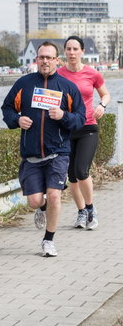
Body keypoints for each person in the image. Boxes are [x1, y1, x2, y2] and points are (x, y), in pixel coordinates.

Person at [1, 41, 86, 257]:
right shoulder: (24, 84)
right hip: (31, 156)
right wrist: (17, 120)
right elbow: (7, 108)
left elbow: (80, 118)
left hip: (58, 152)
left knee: (54, 196)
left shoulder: (67, 88)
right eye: (41, 57)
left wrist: (63, 116)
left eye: (49, 57)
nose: (45, 61)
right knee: (35, 200)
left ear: (57, 60)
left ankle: (48, 240)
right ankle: (41, 208)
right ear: (36, 60)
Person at [58, 35, 111, 230]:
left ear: (82, 51)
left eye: (75, 49)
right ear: (64, 52)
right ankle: (81, 212)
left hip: (88, 127)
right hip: (66, 129)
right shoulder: (59, 75)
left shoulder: (92, 73)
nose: (72, 53)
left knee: (81, 170)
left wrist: (102, 105)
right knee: (71, 175)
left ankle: (90, 210)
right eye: (68, 49)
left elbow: (105, 94)